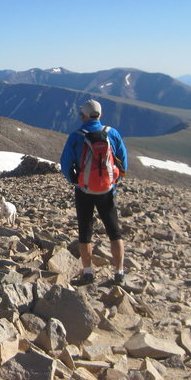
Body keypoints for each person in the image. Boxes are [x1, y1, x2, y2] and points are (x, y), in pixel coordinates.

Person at [60, 99, 128, 286]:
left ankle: (88, 272)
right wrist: (114, 181)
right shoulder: (112, 133)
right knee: (114, 231)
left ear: (83, 115)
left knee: (85, 231)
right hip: (107, 190)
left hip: (84, 190)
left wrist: (75, 181)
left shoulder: (76, 136)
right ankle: (119, 272)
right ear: (100, 114)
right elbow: (123, 161)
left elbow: (65, 164)